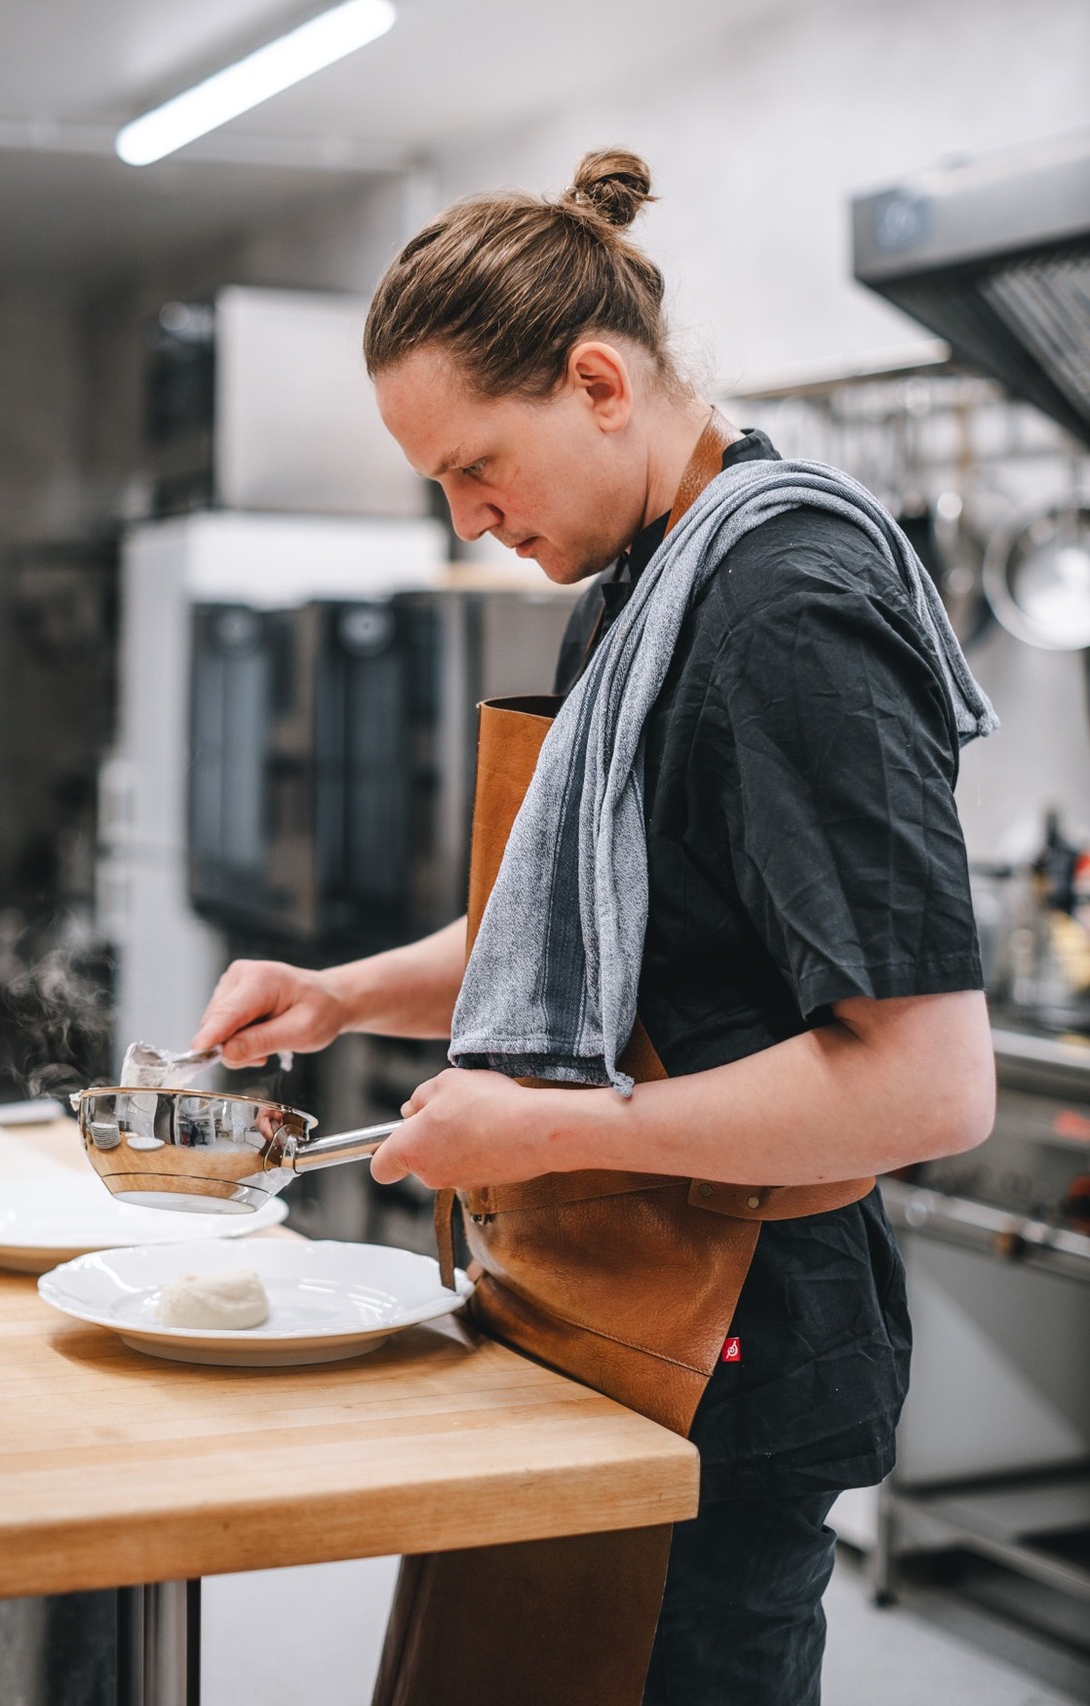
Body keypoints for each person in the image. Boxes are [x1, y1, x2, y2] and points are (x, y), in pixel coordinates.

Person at [190, 148, 996, 1706]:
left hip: (727, 1343)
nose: (468, 512)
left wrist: (548, 1132)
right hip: (603, 1303)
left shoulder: (786, 607)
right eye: (436, 479)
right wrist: (342, 993)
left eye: (476, 462)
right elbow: (592, 924)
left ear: (598, 381)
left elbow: (928, 1083)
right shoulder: (644, 582)